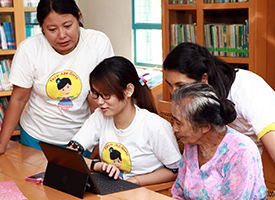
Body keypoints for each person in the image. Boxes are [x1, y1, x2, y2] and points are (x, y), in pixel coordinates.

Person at [0, 0, 114, 155]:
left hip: (83, 138)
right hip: (36, 138)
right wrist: (1, 143)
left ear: (78, 18)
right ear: (41, 25)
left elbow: (99, 98)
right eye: (52, 29)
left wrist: (99, 142)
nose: (62, 35)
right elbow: (18, 99)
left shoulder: (97, 43)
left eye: (68, 26)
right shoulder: (29, 49)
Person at [67, 56, 181, 185]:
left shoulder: (155, 126)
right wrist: (98, 166)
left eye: (106, 95)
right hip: (113, 189)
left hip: (145, 192)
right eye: (95, 93)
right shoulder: (100, 116)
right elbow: (69, 155)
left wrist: (134, 181)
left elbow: (175, 171)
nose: (99, 101)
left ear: (128, 90)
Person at [163, 42, 275, 163]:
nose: (174, 93)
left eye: (181, 85)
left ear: (204, 79)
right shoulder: (196, 98)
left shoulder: (245, 89)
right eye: (169, 85)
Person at [170, 82, 267, 199]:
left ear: (204, 126)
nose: (174, 128)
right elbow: (178, 193)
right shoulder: (191, 142)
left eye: (179, 123)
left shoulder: (241, 152)